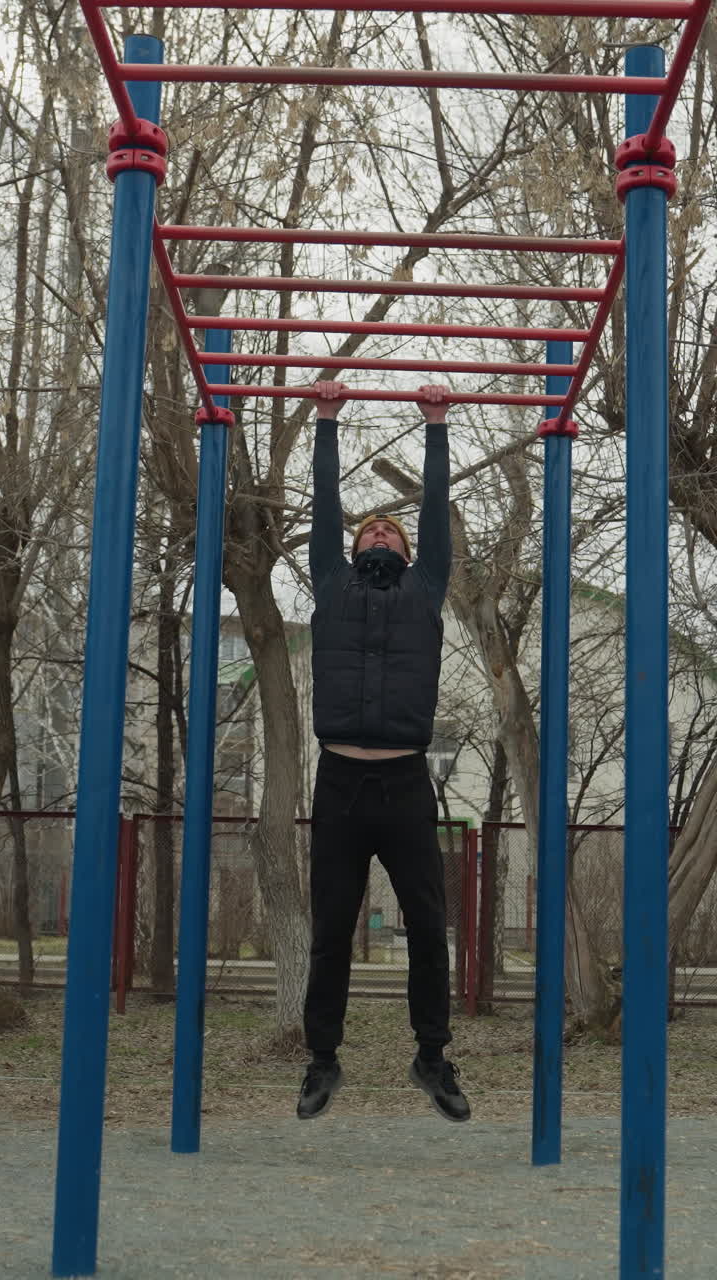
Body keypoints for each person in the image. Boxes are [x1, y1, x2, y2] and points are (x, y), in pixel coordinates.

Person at [296, 379, 470, 1124]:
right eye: (369, 532)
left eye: (388, 534)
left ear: (406, 552)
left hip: (403, 786)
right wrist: (326, 421)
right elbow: (324, 504)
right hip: (339, 785)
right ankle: (322, 1062)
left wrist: (434, 427)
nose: (377, 535)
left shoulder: (426, 588)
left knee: (429, 928)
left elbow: (435, 518)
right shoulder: (330, 584)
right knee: (332, 931)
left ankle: (431, 1057)